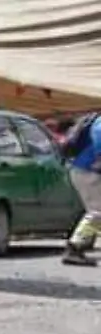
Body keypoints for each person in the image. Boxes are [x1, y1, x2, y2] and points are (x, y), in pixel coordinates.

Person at [62, 114, 101, 267]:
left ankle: (79, 244)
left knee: (96, 212)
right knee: (97, 212)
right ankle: (75, 247)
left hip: (85, 169)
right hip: (87, 170)